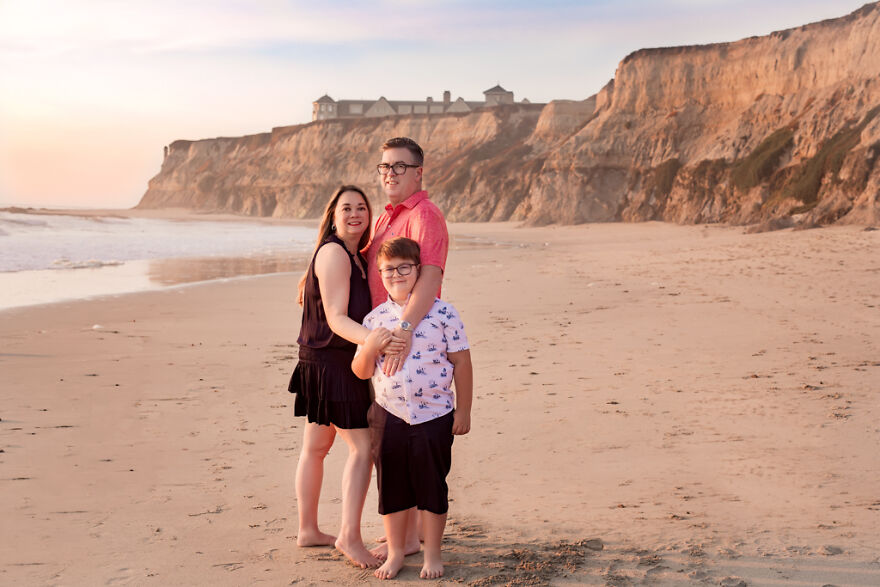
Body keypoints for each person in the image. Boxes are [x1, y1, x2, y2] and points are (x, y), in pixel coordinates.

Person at [288, 185, 402, 569]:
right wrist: (374, 340)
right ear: (334, 217)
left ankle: (308, 530)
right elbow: (336, 318)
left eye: (361, 208)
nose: (355, 214)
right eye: (346, 208)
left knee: (316, 447)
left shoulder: (355, 256)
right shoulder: (335, 253)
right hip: (332, 364)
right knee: (363, 448)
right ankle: (349, 536)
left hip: (319, 359)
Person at [352, 237, 473, 580]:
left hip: (434, 415)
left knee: (432, 486)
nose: (396, 275)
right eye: (388, 270)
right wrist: (369, 347)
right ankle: (395, 553)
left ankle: (432, 553)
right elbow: (361, 371)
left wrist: (463, 411)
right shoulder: (374, 319)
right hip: (387, 414)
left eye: (404, 267)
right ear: (379, 275)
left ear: (418, 270)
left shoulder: (444, 313)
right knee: (392, 487)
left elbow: (462, 363)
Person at [364, 137, 450, 555]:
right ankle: (408, 531)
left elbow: (430, 275)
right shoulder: (387, 217)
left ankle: (412, 536)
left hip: (403, 339)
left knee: (409, 437)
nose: (390, 173)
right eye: (385, 166)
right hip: (380, 336)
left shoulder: (425, 215)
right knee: (395, 436)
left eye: (400, 166)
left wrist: (404, 330)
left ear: (419, 172)